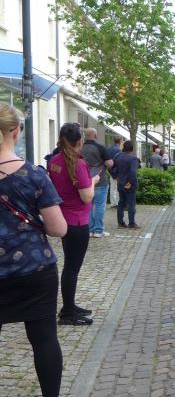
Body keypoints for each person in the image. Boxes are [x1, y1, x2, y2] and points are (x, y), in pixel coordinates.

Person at [0, 104, 69, 397]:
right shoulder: (34, 175)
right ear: (16, 132)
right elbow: (58, 228)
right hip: (33, 270)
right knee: (43, 339)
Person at [48, 123, 101, 326]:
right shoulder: (78, 165)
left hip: (64, 218)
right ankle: (68, 313)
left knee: (70, 265)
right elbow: (86, 196)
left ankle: (69, 305)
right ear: (80, 142)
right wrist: (93, 180)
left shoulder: (54, 160)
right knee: (72, 268)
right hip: (77, 221)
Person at [81, 128, 114, 239]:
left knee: (88, 206)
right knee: (100, 205)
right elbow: (110, 163)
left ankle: (90, 230)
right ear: (95, 135)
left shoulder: (80, 148)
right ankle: (99, 230)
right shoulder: (100, 147)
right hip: (100, 180)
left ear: (85, 135)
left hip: (85, 181)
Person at [115, 140, 141, 229]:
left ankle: (120, 223)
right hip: (129, 185)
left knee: (121, 203)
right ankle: (131, 223)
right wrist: (131, 182)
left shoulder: (118, 156)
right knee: (131, 204)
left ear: (123, 148)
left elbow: (110, 167)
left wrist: (115, 176)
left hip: (120, 183)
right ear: (132, 148)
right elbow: (133, 172)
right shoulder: (133, 158)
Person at [108, 136, 122, 208]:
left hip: (111, 170)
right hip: (116, 172)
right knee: (116, 188)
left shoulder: (109, 149)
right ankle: (116, 203)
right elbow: (118, 162)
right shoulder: (118, 150)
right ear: (120, 141)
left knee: (112, 187)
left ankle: (113, 203)